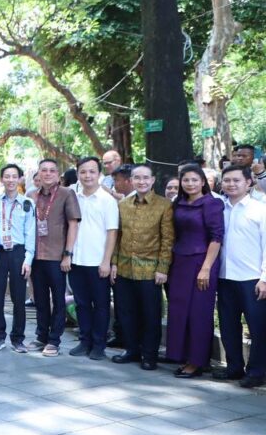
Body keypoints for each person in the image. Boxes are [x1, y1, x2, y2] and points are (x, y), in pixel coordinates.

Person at [112, 164, 174, 371]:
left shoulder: (164, 205)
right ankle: (131, 350)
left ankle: (149, 355)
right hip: (124, 268)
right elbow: (118, 236)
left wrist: (163, 268)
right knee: (126, 312)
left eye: (146, 178)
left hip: (150, 270)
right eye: (137, 178)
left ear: (153, 180)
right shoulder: (123, 204)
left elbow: (167, 240)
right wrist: (114, 263)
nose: (142, 181)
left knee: (150, 315)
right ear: (131, 180)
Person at [166, 164, 224, 378]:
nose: (190, 184)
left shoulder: (212, 203)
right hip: (179, 261)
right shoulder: (178, 203)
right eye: (186, 180)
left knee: (198, 313)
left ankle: (197, 362)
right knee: (179, 310)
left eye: (194, 180)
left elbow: (216, 237)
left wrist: (206, 268)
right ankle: (182, 356)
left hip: (202, 262)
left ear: (203, 182)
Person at [216, 165, 266, 388]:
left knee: (258, 328)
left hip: (253, 279)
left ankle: (257, 372)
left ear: (248, 183)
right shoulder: (219, 208)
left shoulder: (260, 210)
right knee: (228, 326)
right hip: (225, 277)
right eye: (227, 180)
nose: (231, 184)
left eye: (236, 180)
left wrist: (265, 278)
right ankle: (234, 367)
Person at [25, 159, 81, 357]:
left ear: (58, 175)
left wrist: (67, 254)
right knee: (39, 299)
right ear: (38, 174)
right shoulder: (31, 195)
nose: (47, 174)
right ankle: (41, 335)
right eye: (44, 170)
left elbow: (73, 224)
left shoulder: (66, 194)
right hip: (36, 256)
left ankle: (54, 340)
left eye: (52, 170)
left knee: (58, 299)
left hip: (57, 256)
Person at [69, 156, 119, 360]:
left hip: (98, 262)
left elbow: (112, 232)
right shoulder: (74, 198)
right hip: (77, 260)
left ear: (99, 174)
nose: (87, 175)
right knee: (81, 304)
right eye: (83, 172)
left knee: (100, 305)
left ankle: (99, 345)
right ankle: (84, 341)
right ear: (78, 174)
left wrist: (107, 261)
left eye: (92, 171)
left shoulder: (107, 200)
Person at [0, 163, 35, 353]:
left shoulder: (27, 203)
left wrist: (28, 259)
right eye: (7, 176)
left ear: (20, 179)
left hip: (18, 252)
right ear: (1, 179)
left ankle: (18, 338)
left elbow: (30, 232)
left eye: (14, 176)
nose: (10, 180)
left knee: (18, 297)